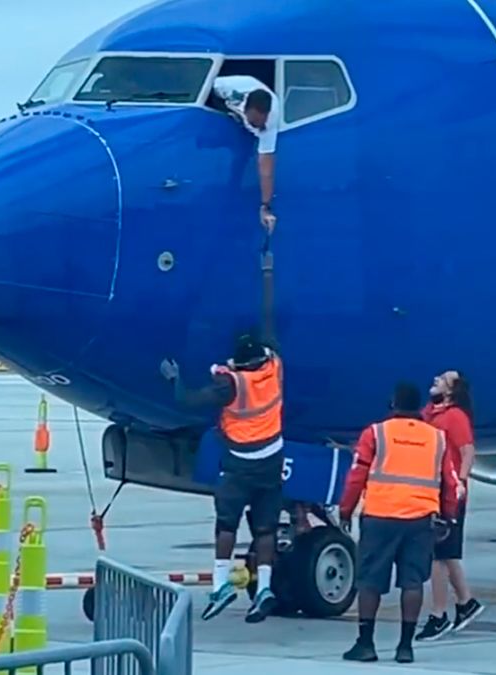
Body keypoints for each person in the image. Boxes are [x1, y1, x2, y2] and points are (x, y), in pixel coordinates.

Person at [159, 240, 283, 624]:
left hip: (240, 463)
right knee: (264, 528)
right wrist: (267, 272)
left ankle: (221, 584)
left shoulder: (231, 386)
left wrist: (175, 377)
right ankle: (264, 587)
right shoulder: (274, 369)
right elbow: (268, 326)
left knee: (226, 524)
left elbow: (189, 400)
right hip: (272, 461)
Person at [338, 383, 462, 664]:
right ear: (419, 407)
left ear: (392, 404)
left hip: (380, 517)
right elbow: (450, 483)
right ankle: (405, 646)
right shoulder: (437, 438)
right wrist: (449, 516)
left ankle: (365, 643)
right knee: (412, 582)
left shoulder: (376, 433)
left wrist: (346, 510)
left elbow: (357, 475)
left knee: (370, 581)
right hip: (420, 520)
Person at [415, 370, 485, 640]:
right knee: (446, 553)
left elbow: (467, 451)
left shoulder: (455, 417)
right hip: (433, 488)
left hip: (449, 490)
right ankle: (466, 603)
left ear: (452, 390)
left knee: (438, 555)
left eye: (443, 379)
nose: (435, 379)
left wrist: (462, 482)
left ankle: (439, 614)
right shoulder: (430, 413)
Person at [211, 74, 280, 234]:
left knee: (243, 156)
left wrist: (266, 206)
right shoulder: (226, 88)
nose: (259, 126)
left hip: (241, 120)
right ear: (246, 110)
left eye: (262, 123)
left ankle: (233, 187)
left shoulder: (269, 123)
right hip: (224, 104)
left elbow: (266, 168)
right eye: (255, 123)